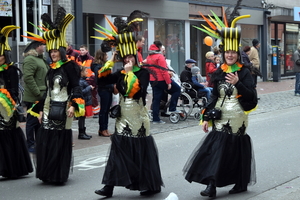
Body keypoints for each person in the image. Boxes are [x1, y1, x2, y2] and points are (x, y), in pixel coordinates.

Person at [183, 11, 257, 198]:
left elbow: (252, 97)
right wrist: (206, 115)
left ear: (237, 53)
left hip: (238, 115)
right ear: (223, 53)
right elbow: (214, 96)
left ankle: (240, 182)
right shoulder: (218, 73)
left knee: (235, 149)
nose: (230, 55)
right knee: (216, 149)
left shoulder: (245, 72)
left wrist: (237, 83)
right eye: (227, 52)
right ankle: (212, 185)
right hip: (221, 115)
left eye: (233, 52)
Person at [93, 11, 163, 197]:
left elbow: (138, 92)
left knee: (140, 152)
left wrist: (130, 72)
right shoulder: (121, 73)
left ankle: (147, 184)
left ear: (135, 56)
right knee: (118, 150)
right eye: (124, 58)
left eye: (129, 57)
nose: (127, 61)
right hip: (123, 117)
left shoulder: (143, 73)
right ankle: (109, 186)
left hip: (139, 118)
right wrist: (111, 62)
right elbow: (101, 81)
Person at [27, 7, 85, 183]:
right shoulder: (50, 69)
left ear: (61, 50)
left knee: (59, 142)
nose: (52, 54)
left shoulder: (70, 67)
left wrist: (74, 105)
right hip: (49, 108)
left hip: (64, 110)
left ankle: (58, 174)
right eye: (50, 51)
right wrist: (41, 110)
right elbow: (48, 92)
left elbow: (76, 87)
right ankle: (47, 173)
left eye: (55, 51)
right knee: (46, 141)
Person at [0, 25, 33, 178]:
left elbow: (14, 91)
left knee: (8, 134)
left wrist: (4, 97)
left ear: (6, 56)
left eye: (0, 55)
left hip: (7, 109)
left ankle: (13, 168)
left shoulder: (12, 70)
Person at [146, 41, 181, 124]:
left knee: (156, 99)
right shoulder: (160, 56)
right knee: (177, 89)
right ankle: (172, 108)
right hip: (161, 80)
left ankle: (155, 118)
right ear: (159, 47)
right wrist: (168, 82)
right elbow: (164, 71)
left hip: (153, 80)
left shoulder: (148, 57)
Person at [22, 40, 48, 153]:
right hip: (34, 97)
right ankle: (30, 144)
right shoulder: (30, 59)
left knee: (39, 122)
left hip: (42, 95)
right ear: (38, 46)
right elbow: (28, 77)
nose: (44, 47)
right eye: (43, 45)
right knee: (31, 122)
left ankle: (38, 143)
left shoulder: (41, 59)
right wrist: (37, 92)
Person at [91, 48, 113, 137]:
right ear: (102, 55)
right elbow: (100, 75)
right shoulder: (97, 65)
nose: (107, 56)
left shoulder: (104, 64)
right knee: (103, 110)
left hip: (108, 88)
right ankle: (102, 129)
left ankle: (105, 128)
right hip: (103, 89)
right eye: (106, 55)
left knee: (107, 110)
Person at [77, 45, 100, 118]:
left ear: (87, 51)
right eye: (80, 50)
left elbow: (94, 71)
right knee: (82, 96)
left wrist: (93, 81)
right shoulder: (78, 59)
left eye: (83, 50)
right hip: (81, 80)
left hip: (90, 80)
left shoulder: (91, 59)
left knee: (93, 97)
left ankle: (96, 112)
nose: (81, 52)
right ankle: (83, 112)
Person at [78, 66, 93, 140]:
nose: (87, 72)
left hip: (85, 101)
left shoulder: (83, 80)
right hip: (82, 101)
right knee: (81, 117)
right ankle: (81, 133)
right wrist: (89, 87)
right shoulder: (80, 81)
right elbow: (81, 92)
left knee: (83, 118)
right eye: (86, 71)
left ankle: (83, 132)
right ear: (82, 73)